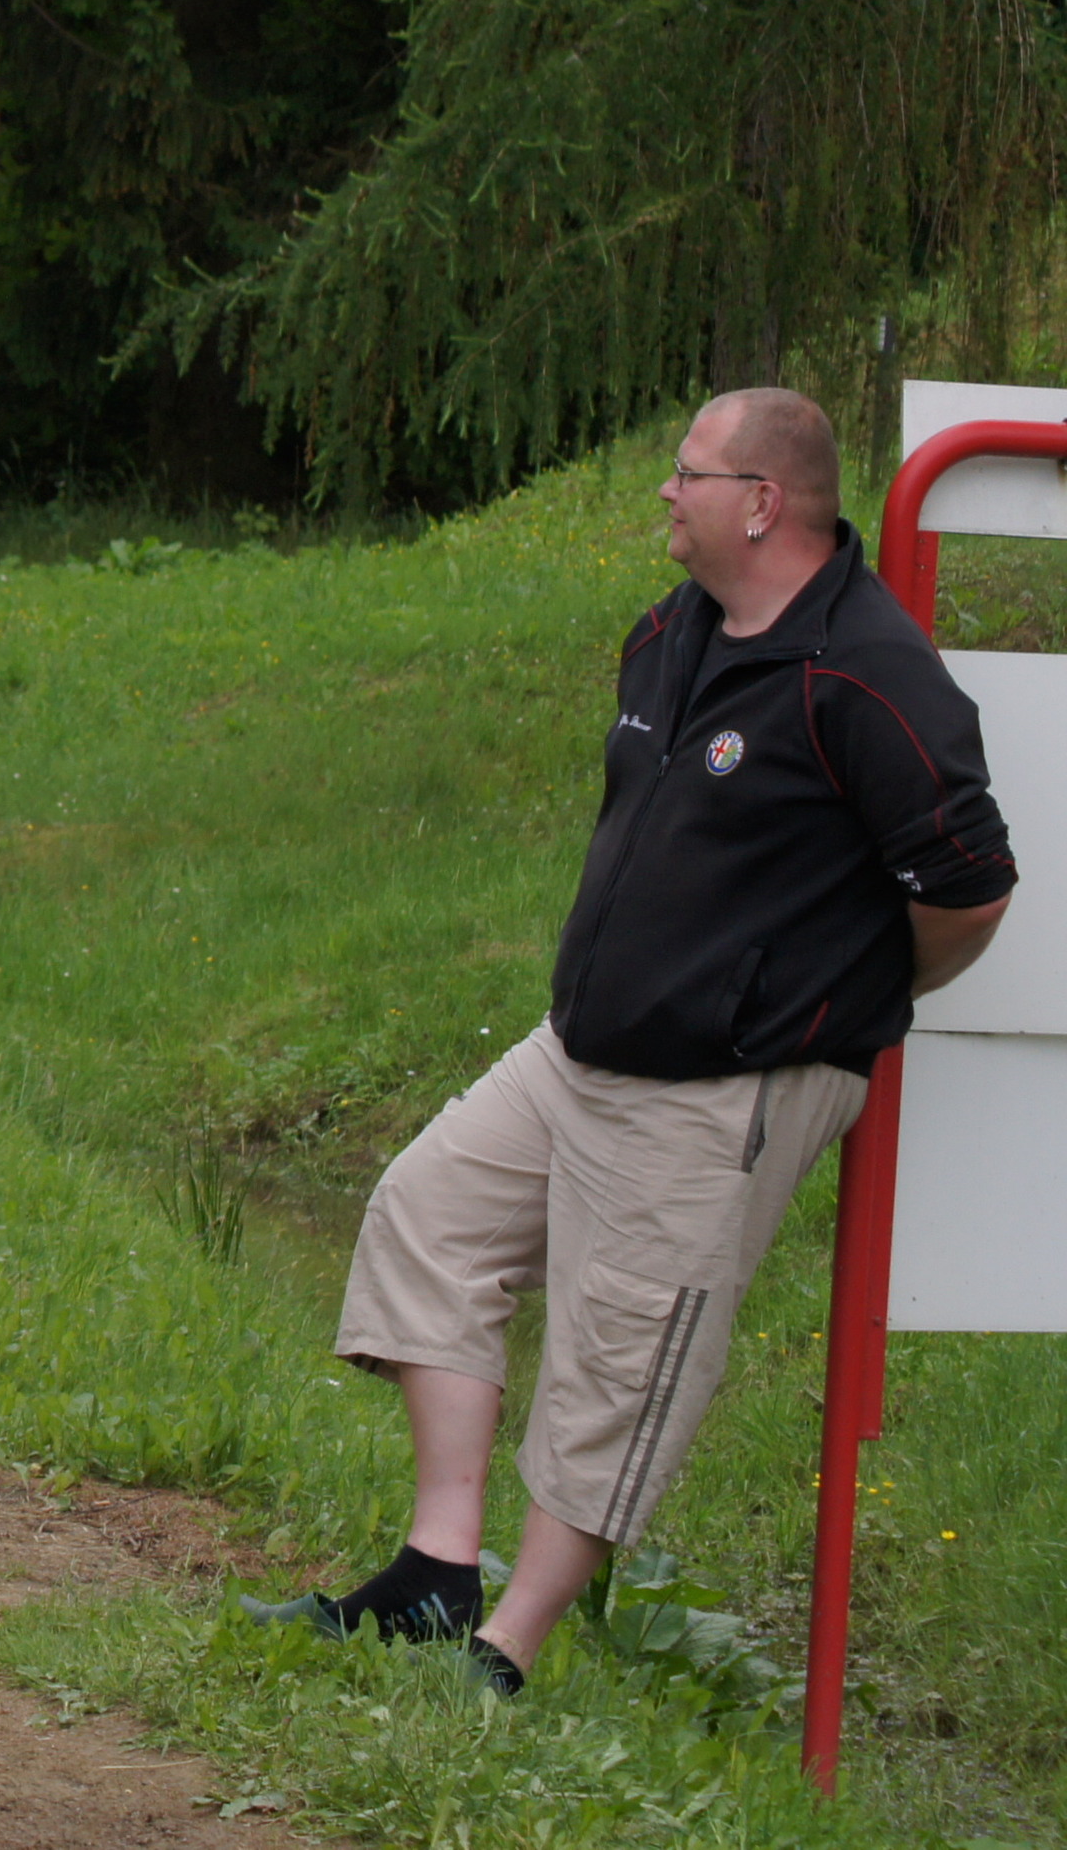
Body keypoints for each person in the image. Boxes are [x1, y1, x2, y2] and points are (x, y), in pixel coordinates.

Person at [255, 386, 1015, 1692]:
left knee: (623, 1363)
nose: (666, 492)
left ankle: (504, 1652)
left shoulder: (870, 677)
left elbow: (969, 890)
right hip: (578, 1051)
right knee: (427, 1218)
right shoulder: (673, 631)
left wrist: (823, 998)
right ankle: (439, 1574)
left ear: (763, 503)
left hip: (725, 1087)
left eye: (688, 474)